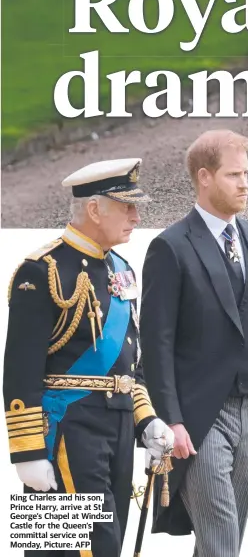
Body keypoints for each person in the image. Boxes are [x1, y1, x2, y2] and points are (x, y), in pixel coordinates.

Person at [3, 158, 173, 557]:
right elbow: (20, 368)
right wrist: (27, 452)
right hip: (67, 427)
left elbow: (129, 362)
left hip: (114, 426)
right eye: (126, 206)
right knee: (86, 548)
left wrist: (145, 419)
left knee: (99, 543)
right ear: (95, 209)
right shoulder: (42, 270)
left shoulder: (122, 270)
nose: (136, 215)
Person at [140, 130, 248, 556]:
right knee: (222, 538)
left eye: (246, 173)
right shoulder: (170, 247)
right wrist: (170, 421)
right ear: (205, 177)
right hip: (198, 418)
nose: (245, 183)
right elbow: (156, 344)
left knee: (223, 543)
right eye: (233, 175)